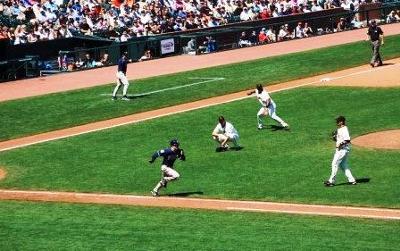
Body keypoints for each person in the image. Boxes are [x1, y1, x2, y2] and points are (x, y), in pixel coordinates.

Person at [324, 116, 357, 187]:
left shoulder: (344, 129)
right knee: (343, 165)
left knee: (334, 164)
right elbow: (340, 139)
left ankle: (331, 181)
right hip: (342, 150)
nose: (336, 122)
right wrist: (335, 138)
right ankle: (352, 180)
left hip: (342, 150)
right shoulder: (340, 129)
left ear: (341, 122)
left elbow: (347, 140)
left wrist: (340, 144)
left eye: (338, 121)